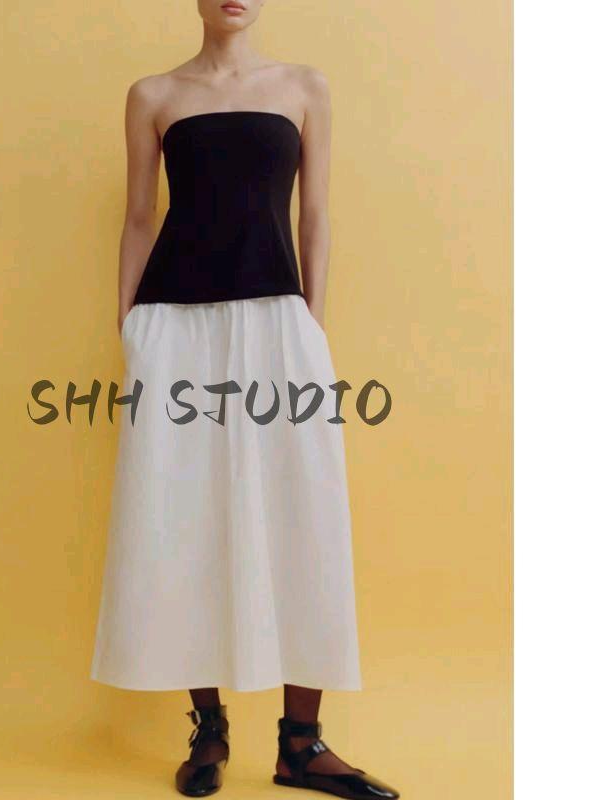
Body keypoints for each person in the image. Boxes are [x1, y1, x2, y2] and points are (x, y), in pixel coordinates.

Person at [91, 2, 400, 798]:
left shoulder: (304, 86)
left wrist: (310, 325)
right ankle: (209, 728)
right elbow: (139, 217)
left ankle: (302, 744)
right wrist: (129, 329)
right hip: (174, 325)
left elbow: (316, 215)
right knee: (182, 515)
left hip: (277, 322)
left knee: (304, 510)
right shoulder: (154, 94)